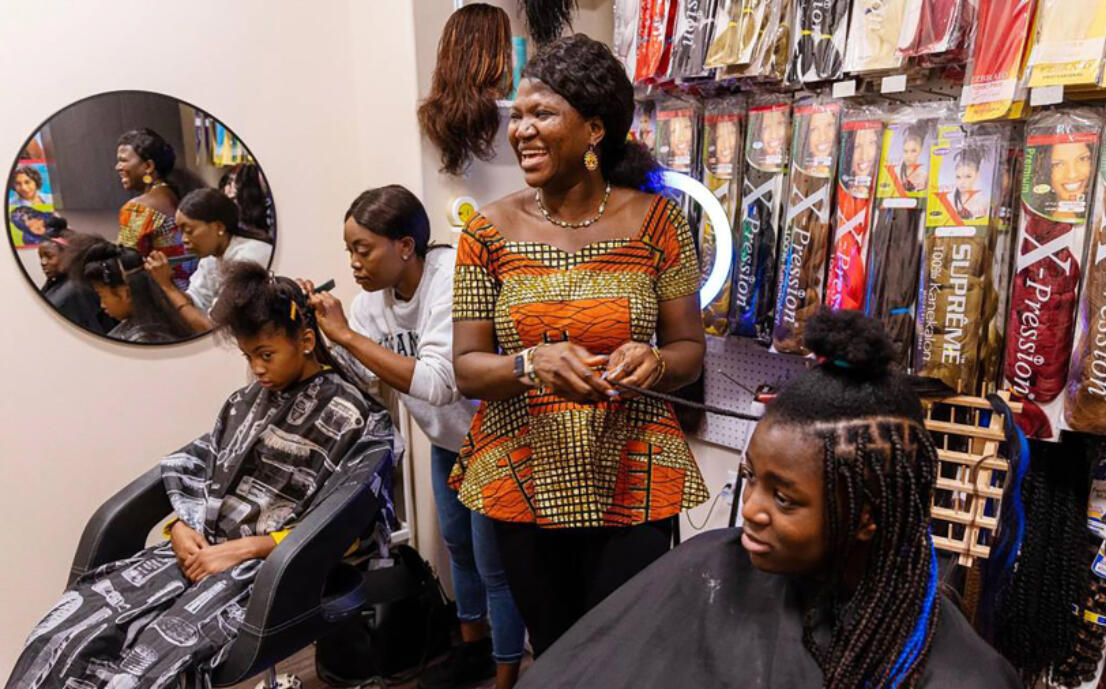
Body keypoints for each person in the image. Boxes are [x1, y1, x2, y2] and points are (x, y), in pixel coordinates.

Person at [515, 310, 1022, 689]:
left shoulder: (955, 671)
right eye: (751, 479)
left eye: (784, 498)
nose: (751, 509)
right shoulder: (714, 563)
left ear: (867, 517)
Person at [5, 263, 398, 689]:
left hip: (272, 569)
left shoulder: (351, 415)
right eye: (250, 357)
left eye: (266, 354)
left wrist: (245, 550)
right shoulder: (245, 403)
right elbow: (212, 478)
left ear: (305, 341)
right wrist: (180, 528)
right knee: (66, 632)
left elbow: (352, 526)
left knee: (144, 666)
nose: (258, 369)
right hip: (200, 551)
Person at [451, 34, 708, 656]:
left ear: (594, 130)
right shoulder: (486, 230)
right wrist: (529, 362)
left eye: (542, 114)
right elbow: (466, 368)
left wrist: (656, 361)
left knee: (627, 651)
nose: (522, 131)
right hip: (523, 474)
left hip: (634, 470)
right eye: (517, 116)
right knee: (559, 651)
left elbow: (688, 349)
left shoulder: (659, 221)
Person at [304, 184, 525, 689]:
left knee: (494, 567)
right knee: (458, 550)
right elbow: (360, 378)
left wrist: (348, 337)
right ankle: (475, 652)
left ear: (405, 246)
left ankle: (509, 674)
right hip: (448, 442)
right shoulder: (370, 305)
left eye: (363, 248)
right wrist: (315, 329)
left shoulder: (451, 282)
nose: (354, 262)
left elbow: (437, 384)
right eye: (348, 251)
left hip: (499, 440)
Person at [145, 188, 273, 334]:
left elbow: (211, 329)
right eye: (181, 232)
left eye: (189, 231)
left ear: (218, 227)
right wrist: (164, 279)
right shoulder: (211, 258)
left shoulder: (248, 257)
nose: (184, 240)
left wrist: (167, 287)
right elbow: (194, 302)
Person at [114, 128, 197, 288]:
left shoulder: (138, 209)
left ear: (148, 166)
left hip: (164, 298)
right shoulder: (179, 193)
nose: (118, 167)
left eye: (123, 160)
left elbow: (125, 265)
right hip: (193, 294)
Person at [73, 238, 194, 344]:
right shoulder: (159, 324)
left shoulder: (145, 341)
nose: (102, 304)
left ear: (125, 293)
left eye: (102, 295)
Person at [38, 222, 115, 335]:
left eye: (49, 256)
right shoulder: (57, 284)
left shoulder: (78, 290)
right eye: (41, 257)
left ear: (69, 254)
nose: (43, 263)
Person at [952, 147, 990, 220]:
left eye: (968, 176)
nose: (962, 182)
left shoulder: (983, 202)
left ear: (977, 175)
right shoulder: (951, 201)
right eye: (958, 177)